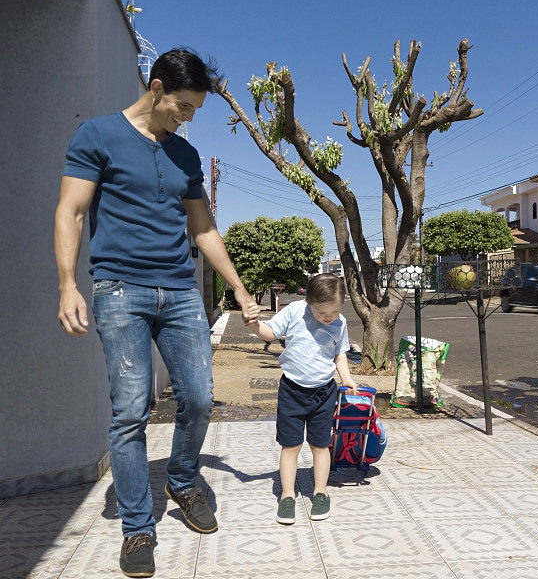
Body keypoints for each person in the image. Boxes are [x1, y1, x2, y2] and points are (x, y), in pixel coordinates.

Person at [54, 48, 257, 578]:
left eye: (193, 110)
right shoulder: (98, 135)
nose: (186, 117)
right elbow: (71, 210)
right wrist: (66, 285)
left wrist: (237, 289)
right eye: (183, 106)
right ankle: (137, 528)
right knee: (130, 412)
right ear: (157, 85)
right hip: (120, 290)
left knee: (197, 397)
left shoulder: (185, 156)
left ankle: (184, 480)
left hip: (181, 292)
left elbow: (205, 230)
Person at [245, 273, 358, 525]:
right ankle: (287, 496)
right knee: (291, 445)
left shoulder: (339, 323)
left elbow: (340, 354)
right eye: (321, 312)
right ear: (308, 301)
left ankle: (320, 492)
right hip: (292, 391)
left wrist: (346, 378)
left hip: (323, 392)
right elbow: (270, 332)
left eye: (334, 311)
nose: (328, 317)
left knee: (320, 445)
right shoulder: (295, 311)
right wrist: (254, 324)